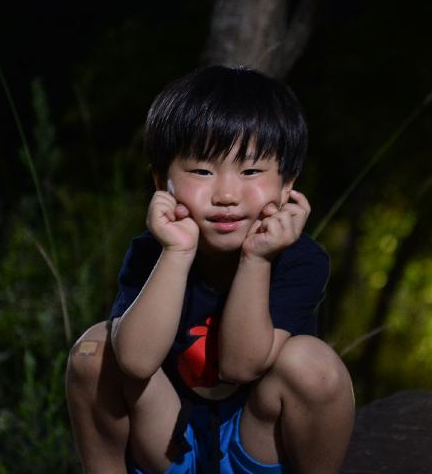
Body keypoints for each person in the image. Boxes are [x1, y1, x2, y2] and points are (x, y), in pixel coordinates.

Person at [65, 66, 355, 474]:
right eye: (201, 171)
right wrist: (177, 253)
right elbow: (133, 362)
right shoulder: (153, 252)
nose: (226, 195)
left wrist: (257, 258)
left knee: (313, 363)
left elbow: (240, 366)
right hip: (169, 445)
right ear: (161, 181)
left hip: (253, 447)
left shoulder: (301, 259)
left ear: (287, 184)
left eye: (251, 171)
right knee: (93, 350)